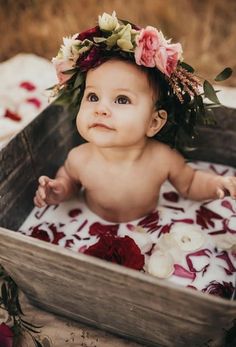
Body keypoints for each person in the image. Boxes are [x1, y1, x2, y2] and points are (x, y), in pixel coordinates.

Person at [34, 12, 236, 223]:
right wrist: (59, 189)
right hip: (91, 220)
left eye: (121, 100)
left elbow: (190, 182)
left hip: (145, 226)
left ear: (154, 122)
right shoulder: (79, 158)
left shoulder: (162, 158)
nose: (101, 109)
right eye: (93, 96)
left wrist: (216, 185)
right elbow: (70, 180)